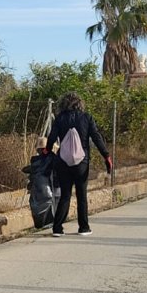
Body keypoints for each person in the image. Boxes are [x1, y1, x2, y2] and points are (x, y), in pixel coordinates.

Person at [46, 92, 112, 237]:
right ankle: (84, 227)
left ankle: (57, 228)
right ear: (80, 104)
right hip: (82, 162)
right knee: (81, 195)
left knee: (65, 194)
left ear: (63, 104)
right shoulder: (86, 117)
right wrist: (106, 155)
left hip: (63, 162)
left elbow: (51, 139)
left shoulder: (59, 119)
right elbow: (96, 137)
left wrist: (47, 152)